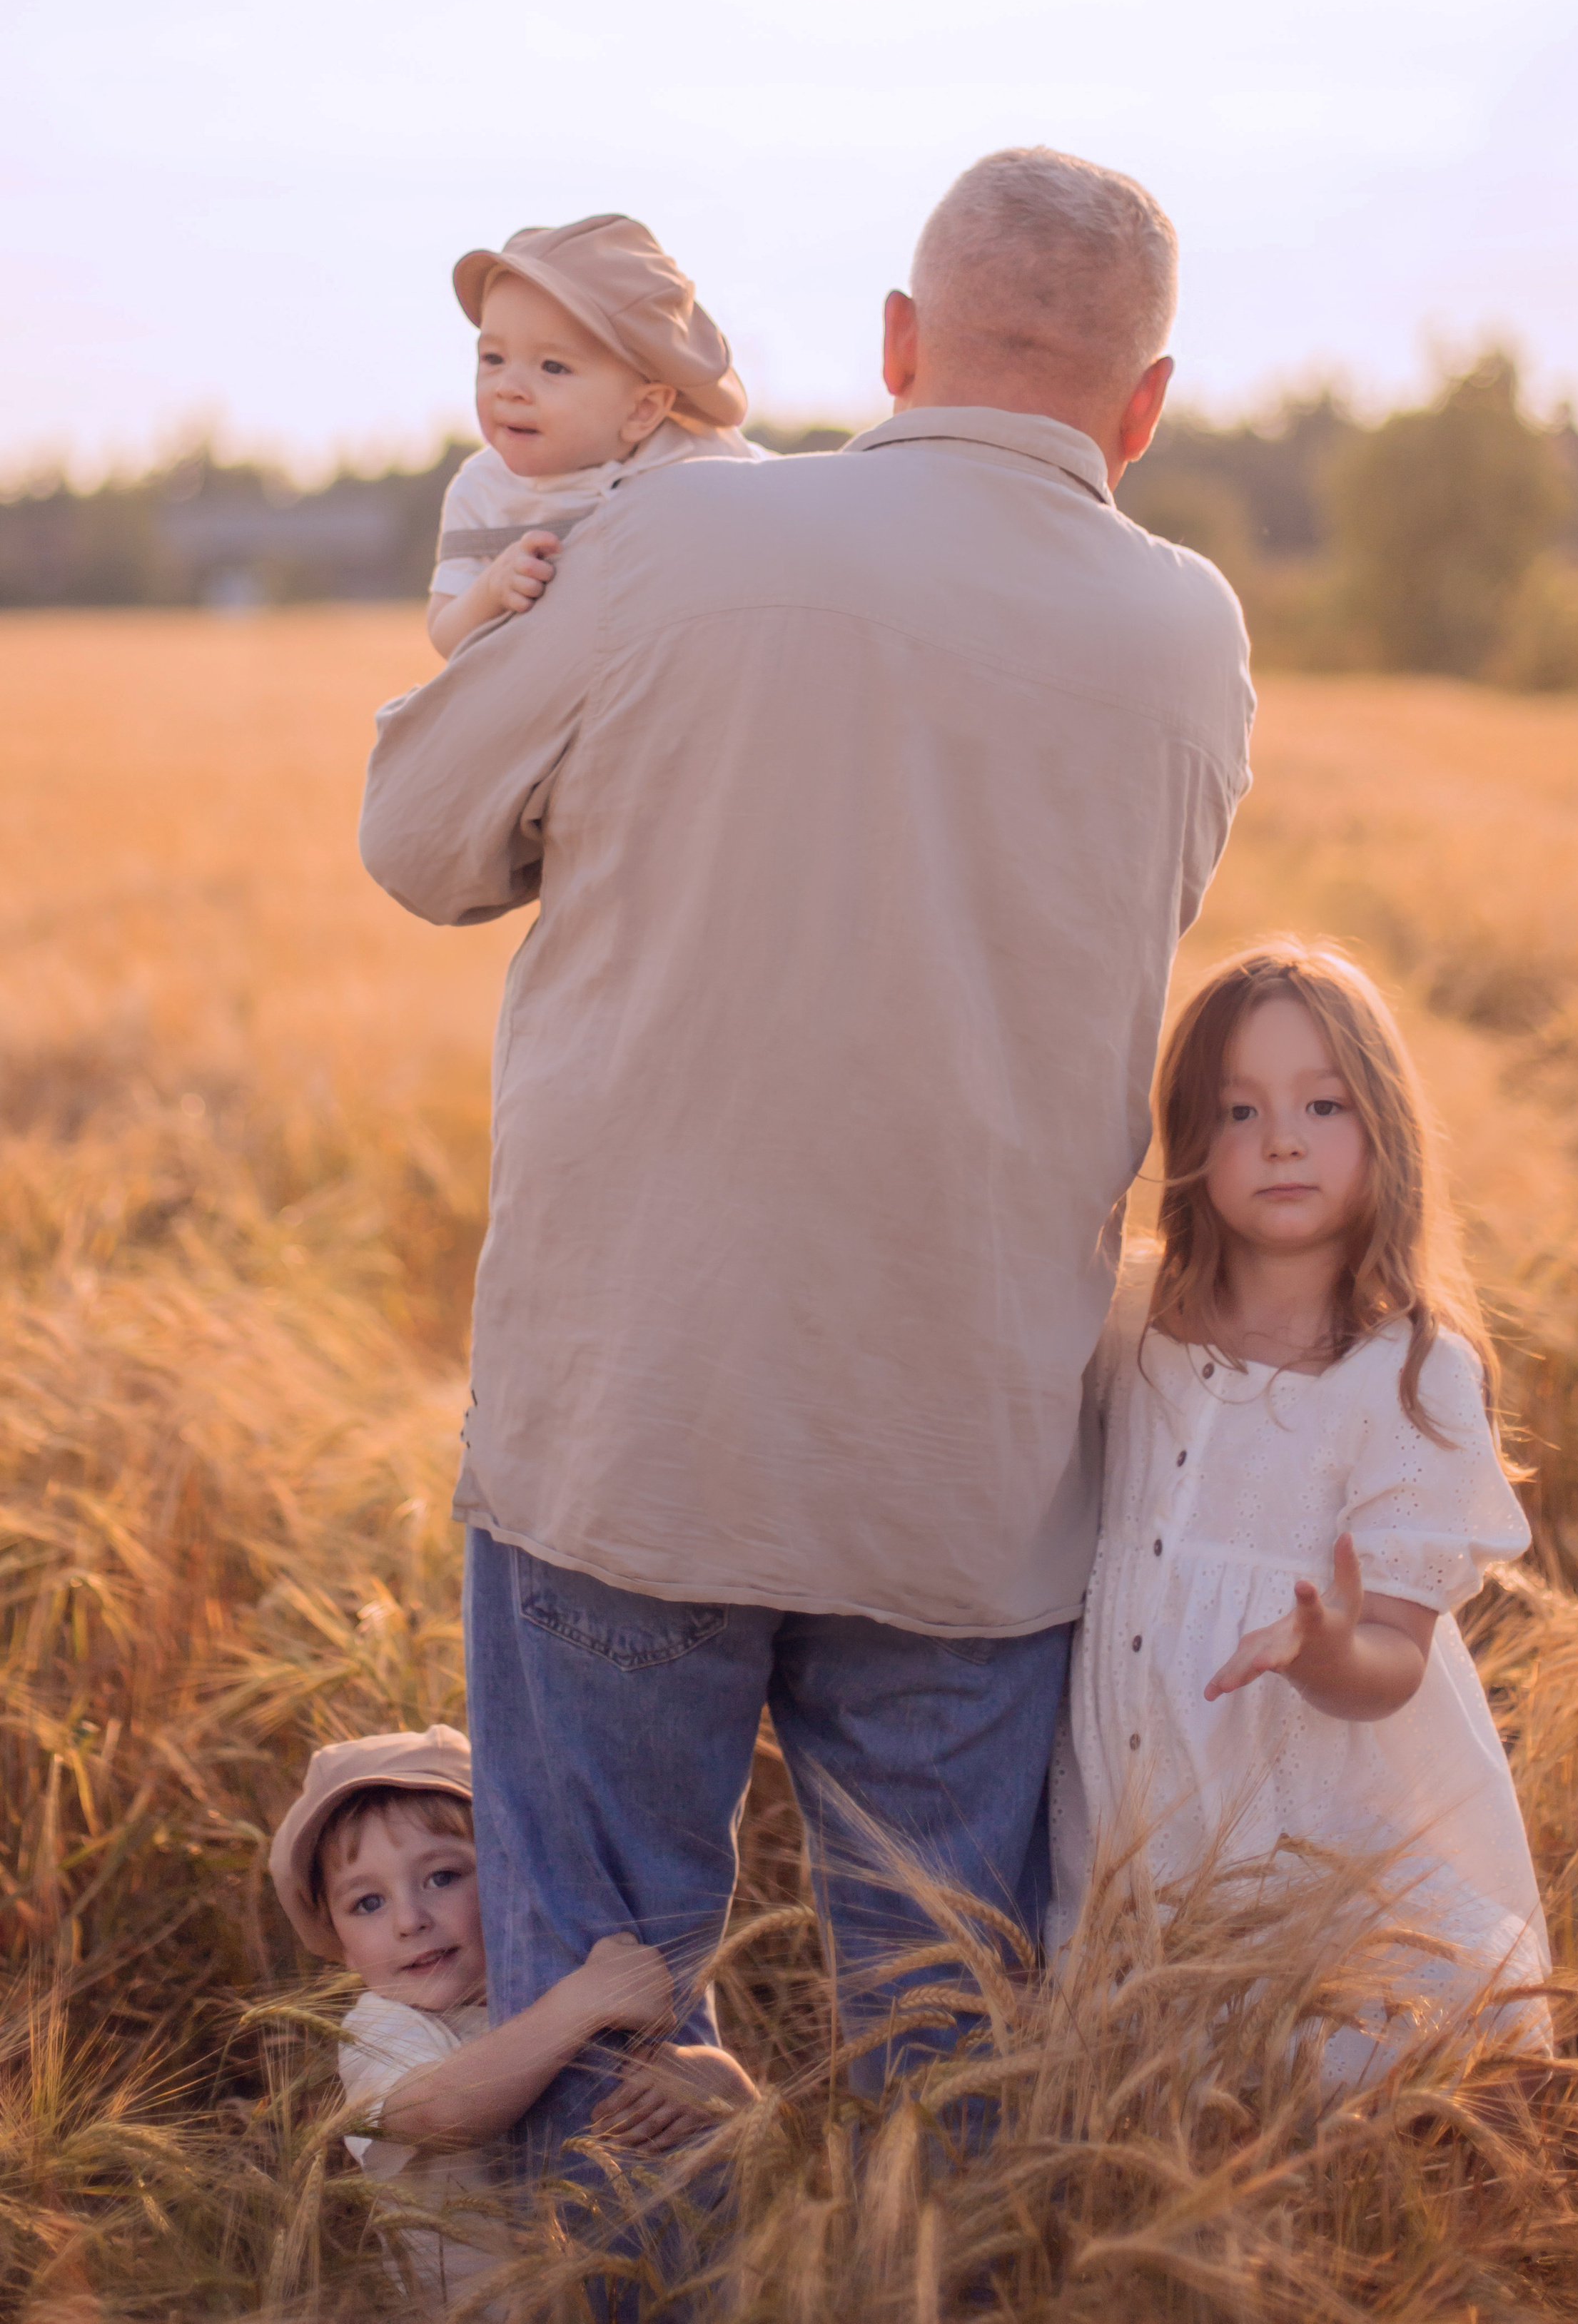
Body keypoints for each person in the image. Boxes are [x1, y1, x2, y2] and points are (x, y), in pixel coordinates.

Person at [358, 147, 1256, 2161]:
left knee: (608, 2028)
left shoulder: (676, 546)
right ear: (1145, 405)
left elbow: (417, 848)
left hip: (634, 1421)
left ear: (898, 342)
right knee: (953, 2056)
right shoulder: (1188, 635)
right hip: (969, 1465)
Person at [1048, 942, 1549, 2079]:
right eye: (1238, 1110)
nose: (1281, 1137)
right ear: (1188, 1142)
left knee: (1299, 2069)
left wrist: (1328, 1649)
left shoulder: (1409, 1378)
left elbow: (1397, 1660)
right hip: (1129, 1803)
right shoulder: (1129, 1320)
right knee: (1131, 2071)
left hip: (1298, 1817)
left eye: (1322, 1104)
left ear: (1385, 1131)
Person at [267, 1727, 752, 2303]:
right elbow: (437, 2113)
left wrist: (722, 2081)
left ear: (508, 1876)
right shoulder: (381, 2028)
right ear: (339, 1943)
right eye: (367, 1903)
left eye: (442, 1877)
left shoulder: (560, 1980)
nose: (409, 1920)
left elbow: (749, 2149)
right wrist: (577, 2006)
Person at [426, 213, 766, 661]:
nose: (508, 387)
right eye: (493, 358)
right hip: (541, 693)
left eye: (553, 367)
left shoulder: (702, 460)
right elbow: (443, 632)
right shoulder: (482, 491)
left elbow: (777, 531)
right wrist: (491, 590)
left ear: (643, 410)